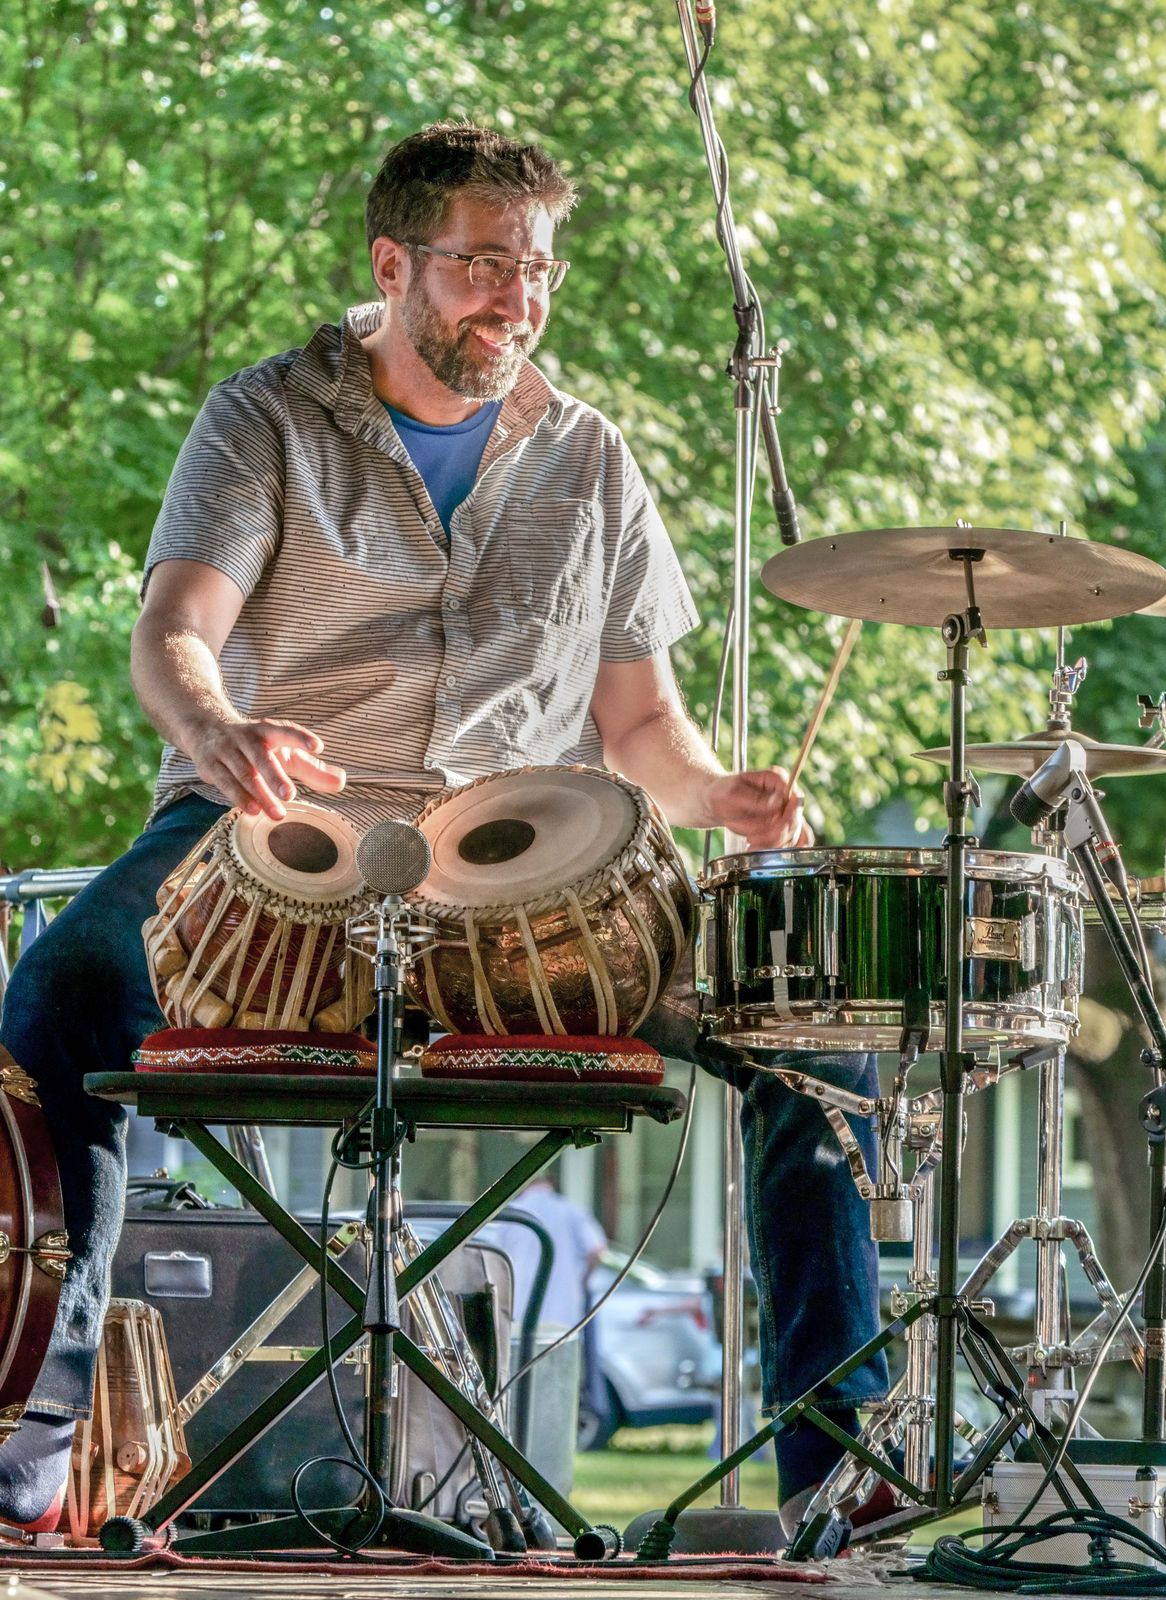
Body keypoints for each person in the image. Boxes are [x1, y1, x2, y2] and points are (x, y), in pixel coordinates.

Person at [0, 122, 884, 1535]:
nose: (514, 300)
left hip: (526, 878)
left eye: (535, 271)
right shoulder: (264, 415)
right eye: (481, 266)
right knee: (60, 992)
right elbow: (174, 631)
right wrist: (217, 729)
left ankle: (837, 1476)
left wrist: (717, 796)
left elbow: (639, 730)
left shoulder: (592, 457)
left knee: (815, 1034)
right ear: (392, 264)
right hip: (272, 828)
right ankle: (32, 1438)